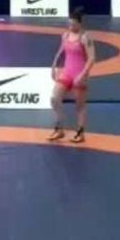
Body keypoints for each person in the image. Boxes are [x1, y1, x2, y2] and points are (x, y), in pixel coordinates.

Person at [49, 9, 96, 143]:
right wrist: (53, 66)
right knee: (54, 98)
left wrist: (83, 75)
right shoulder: (65, 35)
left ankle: (80, 133)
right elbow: (61, 52)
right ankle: (59, 128)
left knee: (80, 105)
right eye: (69, 24)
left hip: (80, 73)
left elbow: (92, 58)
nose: (70, 26)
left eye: (73, 24)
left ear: (79, 24)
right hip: (67, 72)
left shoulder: (85, 37)